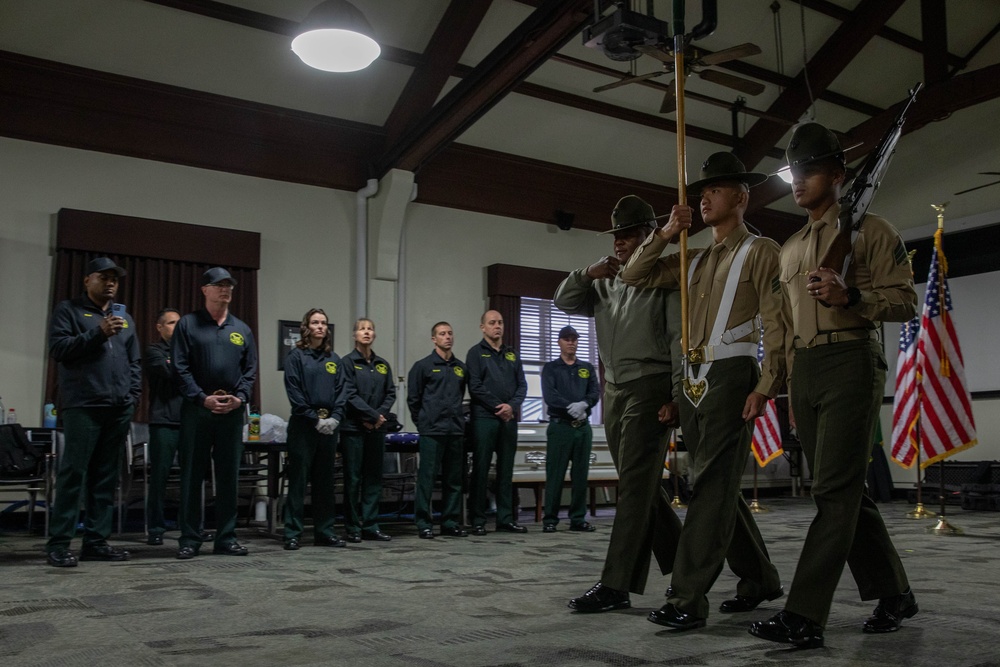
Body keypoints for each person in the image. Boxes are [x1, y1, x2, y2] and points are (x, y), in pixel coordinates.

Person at [749, 123, 919, 648]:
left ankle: (804, 613)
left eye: (809, 170)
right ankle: (894, 592)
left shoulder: (874, 231)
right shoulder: (791, 247)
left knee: (833, 492)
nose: (797, 181)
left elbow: (907, 301)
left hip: (851, 360)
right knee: (842, 490)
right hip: (808, 372)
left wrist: (853, 298)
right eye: (793, 172)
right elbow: (778, 325)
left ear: (838, 176)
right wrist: (779, 384)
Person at [619, 153, 784, 631]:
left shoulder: (761, 251)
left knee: (710, 485)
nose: (704, 198)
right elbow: (632, 274)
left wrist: (768, 383)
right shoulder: (692, 256)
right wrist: (668, 232)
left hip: (733, 374)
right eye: (702, 191)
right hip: (692, 380)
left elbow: (776, 323)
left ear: (741, 196)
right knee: (717, 486)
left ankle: (687, 595)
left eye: (715, 189)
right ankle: (760, 578)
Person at [554, 195, 684, 613]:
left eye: (628, 235)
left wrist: (678, 394)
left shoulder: (662, 275)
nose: (620, 243)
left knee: (632, 487)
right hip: (614, 389)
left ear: (648, 233)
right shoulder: (603, 281)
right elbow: (562, 302)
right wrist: (584, 273)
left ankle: (617, 584)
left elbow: (679, 340)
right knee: (642, 487)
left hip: (650, 385)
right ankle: (688, 566)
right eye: (616, 236)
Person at [45, 257, 141, 567]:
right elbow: (59, 350)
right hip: (83, 406)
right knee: (74, 475)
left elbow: (134, 361)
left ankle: (96, 542)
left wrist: (132, 396)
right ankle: (59, 544)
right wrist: (97, 333)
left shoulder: (124, 318)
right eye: (104, 277)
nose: (111, 282)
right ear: (88, 280)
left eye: (115, 278)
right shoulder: (68, 310)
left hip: (118, 408)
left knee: (105, 478)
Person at [171, 267, 258, 559]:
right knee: (192, 476)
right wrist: (201, 397)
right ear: (204, 289)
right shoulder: (188, 324)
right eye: (219, 285)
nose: (226, 290)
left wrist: (241, 397)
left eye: (229, 285)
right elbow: (179, 368)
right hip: (198, 410)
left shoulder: (242, 329)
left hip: (231, 412)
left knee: (228, 476)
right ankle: (190, 539)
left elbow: (249, 370)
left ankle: (226, 537)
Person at [281, 308, 350, 550]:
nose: (320, 326)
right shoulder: (296, 356)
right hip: (304, 425)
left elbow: (343, 392)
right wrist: (314, 419)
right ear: (306, 327)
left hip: (329, 427)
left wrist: (335, 418)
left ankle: (325, 531)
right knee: (298, 480)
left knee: (325, 481)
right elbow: (294, 391)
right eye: (315, 322)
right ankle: (292, 532)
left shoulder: (335, 360)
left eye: (323, 323)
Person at [466, 310, 528, 535]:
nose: (497, 326)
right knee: (481, 470)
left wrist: (511, 406)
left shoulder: (512, 354)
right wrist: (498, 407)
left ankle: (505, 519)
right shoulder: (475, 353)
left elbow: (522, 385)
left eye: (500, 322)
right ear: (483, 327)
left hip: (509, 419)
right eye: (492, 323)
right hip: (485, 419)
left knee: (506, 471)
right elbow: (475, 386)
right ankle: (478, 520)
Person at [407, 321, 468, 539]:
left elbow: (461, 396)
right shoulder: (422, 366)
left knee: (454, 480)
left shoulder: (461, 367)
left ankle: (450, 522)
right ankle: (424, 523)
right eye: (442, 334)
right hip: (432, 432)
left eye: (450, 333)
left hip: (455, 431)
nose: (447, 337)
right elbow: (413, 400)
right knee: (427, 479)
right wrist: (423, 423)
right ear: (434, 339)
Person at [340, 318, 396, 543]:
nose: (366, 332)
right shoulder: (346, 362)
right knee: (353, 479)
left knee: (373, 478)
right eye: (362, 329)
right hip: (353, 428)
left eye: (370, 328)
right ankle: (353, 527)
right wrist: (371, 416)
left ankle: (371, 525)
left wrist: (379, 416)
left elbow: (390, 393)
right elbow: (348, 394)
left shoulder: (382, 364)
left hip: (377, 429)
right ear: (354, 335)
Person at [540, 325, 600, 533]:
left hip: (582, 428)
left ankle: (577, 519)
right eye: (567, 339)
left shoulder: (586, 367)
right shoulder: (551, 368)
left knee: (581, 475)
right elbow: (550, 396)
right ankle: (550, 519)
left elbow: (595, 392)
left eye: (574, 339)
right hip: (561, 427)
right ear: (559, 342)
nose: (571, 342)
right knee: (555, 474)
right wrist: (570, 407)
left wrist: (584, 404)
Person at [144, 307, 183, 546]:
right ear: (160, 327)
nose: (177, 327)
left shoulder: (190, 351)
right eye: (171, 323)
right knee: (160, 477)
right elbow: (169, 374)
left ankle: (192, 526)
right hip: (164, 421)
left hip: (189, 421)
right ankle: (156, 528)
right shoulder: (154, 350)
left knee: (192, 478)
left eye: (180, 322)